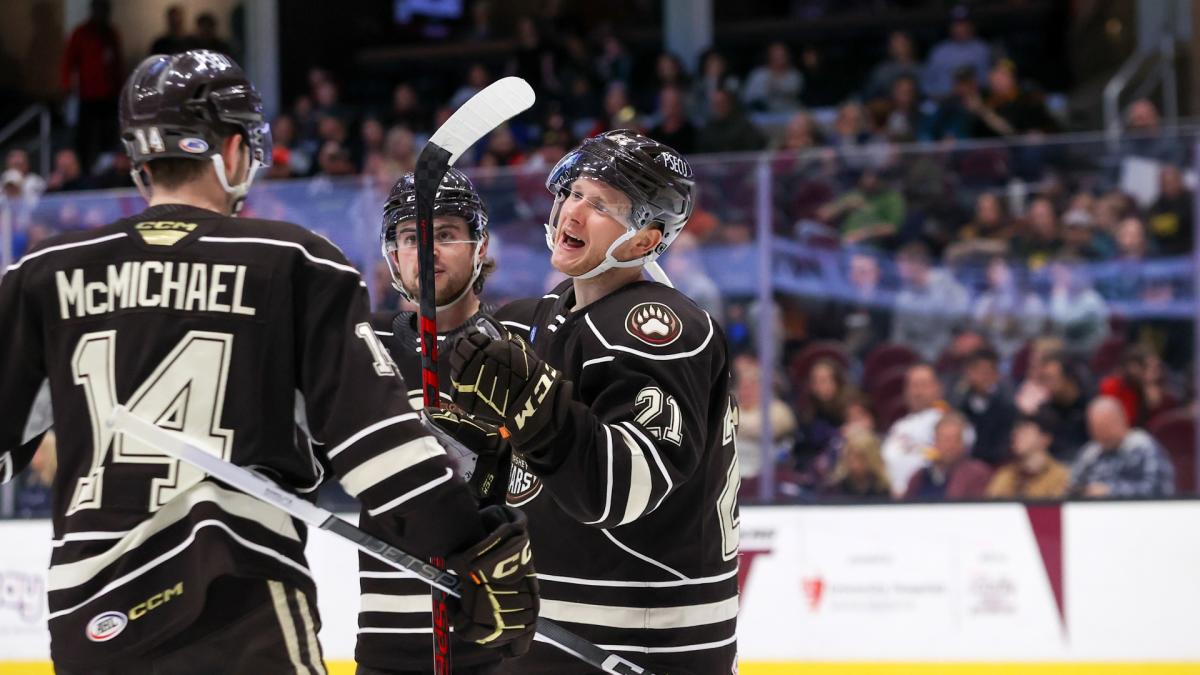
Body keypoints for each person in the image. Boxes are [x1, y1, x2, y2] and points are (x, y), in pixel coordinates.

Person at [0, 50, 537, 673]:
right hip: (235, 606)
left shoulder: (44, 274)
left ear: (141, 155)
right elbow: (379, 445)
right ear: (232, 152)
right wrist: (470, 542)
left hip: (89, 622)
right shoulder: (291, 262)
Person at [437, 130, 740, 673]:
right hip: (547, 623)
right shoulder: (543, 314)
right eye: (574, 192)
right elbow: (513, 473)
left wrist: (535, 406)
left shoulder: (661, 331)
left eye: (601, 205)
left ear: (645, 241)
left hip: (640, 638)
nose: (574, 212)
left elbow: (620, 492)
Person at [357, 167, 512, 675]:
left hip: (497, 641)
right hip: (385, 644)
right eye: (410, 237)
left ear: (479, 245)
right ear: (392, 252)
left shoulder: (520, 347)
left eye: (445, 234)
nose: (427, 251)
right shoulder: (363, 348)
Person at [61, 0, 123, 172]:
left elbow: (117, 65)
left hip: (109, 96)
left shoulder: (111, 34)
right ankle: (84, 170)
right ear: (93, 10)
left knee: (108, 137)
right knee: (85, 137)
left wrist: (120, 90)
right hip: (88, 95)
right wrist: (66, 86)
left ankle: (107, 171)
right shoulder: (81, 33)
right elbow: (69, 62)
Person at [1069, 397, 1175, 498]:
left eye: (1105, 427)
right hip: (1092, 513)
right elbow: (1073, 488)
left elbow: (1158, 490)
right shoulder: (1091, 453)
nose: (1102, 436)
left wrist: (1111, 492)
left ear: (1121, 420)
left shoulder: (1144, 447)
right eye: (1096, 430)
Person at [881, 363, 951, 497]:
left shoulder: (948, 423)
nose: (917, 392)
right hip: (890, 500)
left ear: (939, 388)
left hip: (928, 499)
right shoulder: (898, 426)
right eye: (913, 386)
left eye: (923, 385)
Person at [949, 347, 1016, 467]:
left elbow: (1004, 446)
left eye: (986, 372)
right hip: (963, 465)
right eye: (976, 372)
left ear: (996, 375)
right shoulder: (960, 403)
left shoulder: (1006, 406)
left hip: (994, 465)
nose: (981, 378)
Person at [903, 411, 992, 500]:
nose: (950, 446)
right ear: (935, 442)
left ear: (964, 444)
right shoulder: (919, 477)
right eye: (945, 440)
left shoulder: (977, 474)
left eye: (955, 440)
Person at [986, 413, 1070, 499]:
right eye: (1016, 431)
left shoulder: (1060, 476)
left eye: (1025, 432)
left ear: (1044, 439)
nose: (1016, 435)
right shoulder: (1005, 474)